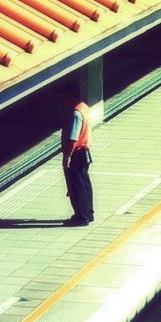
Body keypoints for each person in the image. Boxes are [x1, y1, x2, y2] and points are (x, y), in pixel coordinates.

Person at [61, 84, 94, 226]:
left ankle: (81, 216)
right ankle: (88, 212)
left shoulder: (76, 113)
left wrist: (68, 156)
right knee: (85, 183)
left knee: (76, 185)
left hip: (77, 153)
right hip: (85, 151)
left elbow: (73, 137)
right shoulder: (84, 108)